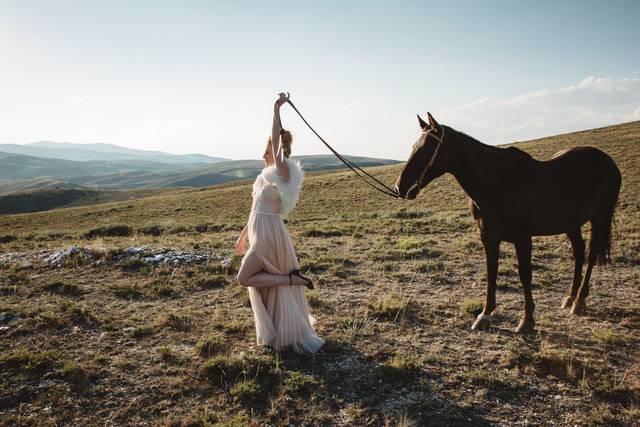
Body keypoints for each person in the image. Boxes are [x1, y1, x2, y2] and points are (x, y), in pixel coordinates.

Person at [236, 93, 325, 354]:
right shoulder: (264, 177)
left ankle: (292, 280)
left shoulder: (284, 173)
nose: (264, 153)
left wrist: (276, 108)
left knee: (245, 278)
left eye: (268, 149)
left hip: (269, 235)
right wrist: (242, 236)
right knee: (258, 286)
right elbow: (255, 209)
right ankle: (290, 283)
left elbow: (275, 141)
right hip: (257, 231)